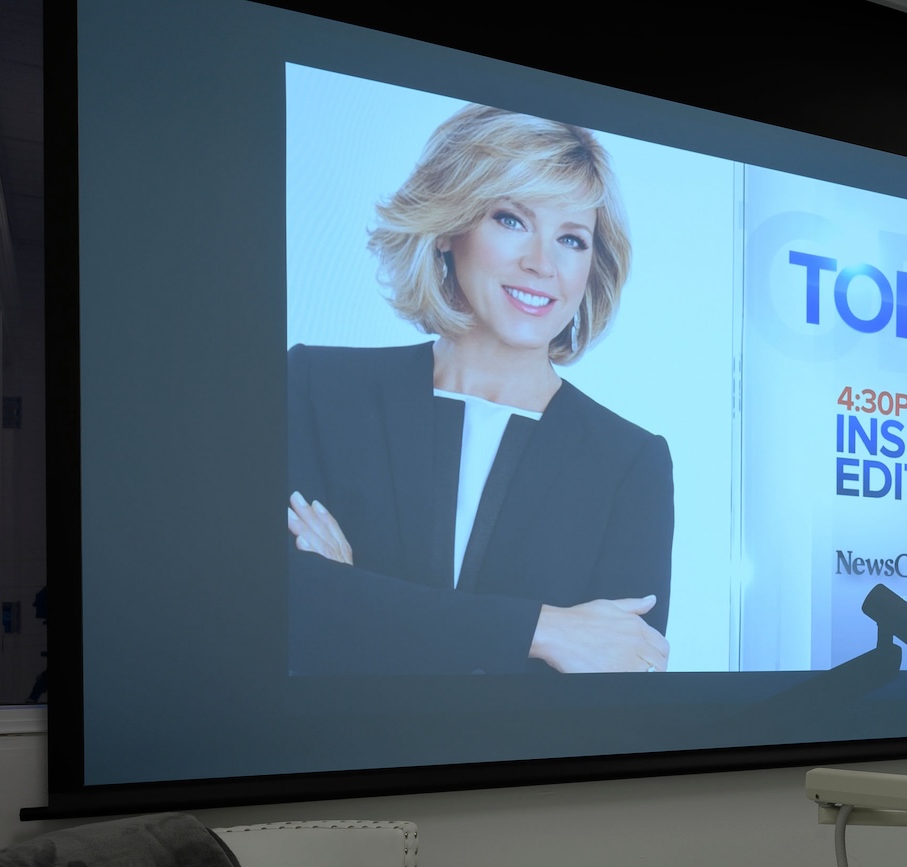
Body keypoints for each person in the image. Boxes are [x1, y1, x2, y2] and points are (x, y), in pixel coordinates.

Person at [286, 105, 672, 676]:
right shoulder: (320, 387)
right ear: (449, 229)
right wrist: (543, 630)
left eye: (571, 239)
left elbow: (625, 668)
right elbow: (280, 606)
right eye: (511, 220)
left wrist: (356, 594)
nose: (543, 264)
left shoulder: (628, 461)